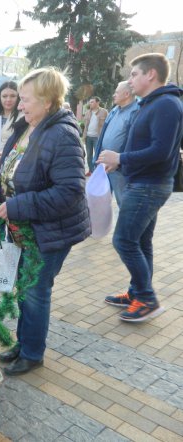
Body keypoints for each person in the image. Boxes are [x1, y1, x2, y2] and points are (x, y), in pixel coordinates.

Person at [0, 67, 90, 376]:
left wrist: (19, 204)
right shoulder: (27, 126)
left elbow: (70, 191)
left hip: (49, 232)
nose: (19, 105)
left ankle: (32, 353)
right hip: (26, 228)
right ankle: (24, 341)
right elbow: (10, 171)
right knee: (25, 289)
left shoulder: (62, 134)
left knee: (35, 291)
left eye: (26, 99)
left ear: (47, 101)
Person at [98, 53, 183, 322]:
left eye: (134, 74)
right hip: (143, 182)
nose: (130, 79)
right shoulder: (152, 104)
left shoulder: (166, 105)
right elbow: (146, 147)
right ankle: (137, 291)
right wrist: (120, 165)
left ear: (151, 75)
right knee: (140, 241)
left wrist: (120, 158)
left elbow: (160, 150)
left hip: (149, 186)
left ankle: (147, 298)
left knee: (123, 240)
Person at [93, 81, 138, 207]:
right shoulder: (114, 110)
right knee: (100, 204)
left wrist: (118, 162)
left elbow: (132, 142)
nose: (114, 95)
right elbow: (103, 136)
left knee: (124, 204)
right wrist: (97, 158)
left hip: (119, 169)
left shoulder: (135, 112)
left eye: (117, 92)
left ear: (126, 94)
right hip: (104, 165)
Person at [0, 81, 21, 150]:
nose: (8, 99)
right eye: (4, 96)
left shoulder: (23, 118)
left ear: (19, 97)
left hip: (9, 159)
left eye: (13, 96)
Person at [82, 96, 108, 175]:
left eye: (92, 102)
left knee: (98, 155)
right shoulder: (87, 112)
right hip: (88, 137)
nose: (90, 103)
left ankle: (97, 172)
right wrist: (84, 136)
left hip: (98, 137)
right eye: (90, 102)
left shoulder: (104, 112)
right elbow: (85, 125)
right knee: (89, 155)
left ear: (97, 103)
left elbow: (107, 124)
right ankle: (91, 170)